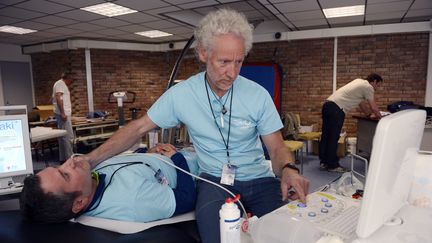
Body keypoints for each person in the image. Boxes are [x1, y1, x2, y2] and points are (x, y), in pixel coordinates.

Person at [71, 9, 309, 243]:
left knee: (285, 235)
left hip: (260, 179)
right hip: (213, 181)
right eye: (224, 62)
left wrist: (288, 169)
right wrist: (91, 160)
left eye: (239, 62)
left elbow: (277, 147)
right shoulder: (182, 95)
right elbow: (138, 128)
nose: (232, 72)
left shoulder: (257, 95)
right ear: (203, 53)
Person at [19, 143, 197, 223]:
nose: (70, 161)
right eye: (66, 175)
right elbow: (187, 199)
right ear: (79, 202)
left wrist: (147, 153)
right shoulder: (132, 200)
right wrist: (177, 158)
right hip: (197, 166)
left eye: (59, 166)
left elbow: (126, 165)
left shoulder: (90, 179)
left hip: (168, 155)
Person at [319, 73, 383, 172]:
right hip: (337, 109)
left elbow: (362, 105)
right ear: (374, 81)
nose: (377, 88)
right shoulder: (368, 87)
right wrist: (381, 117)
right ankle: (332, 165)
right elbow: (373, 107)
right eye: (378, 85)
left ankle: (324, 162)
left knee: (326, 136)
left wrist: (369, 115)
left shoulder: (358, 82)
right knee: (333, 137)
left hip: (328, 106)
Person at [52, 72, 74, 162]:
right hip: (63, 114)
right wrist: (63, 113)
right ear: (68, 78)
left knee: (62, 137)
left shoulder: (58, 84)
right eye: (71, 80)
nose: (71, 82)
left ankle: (63, 159)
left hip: (62, 113)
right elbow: (59, 97)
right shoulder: (60, 84)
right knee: (68, 137)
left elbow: (56, 97)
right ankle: (70, 160)